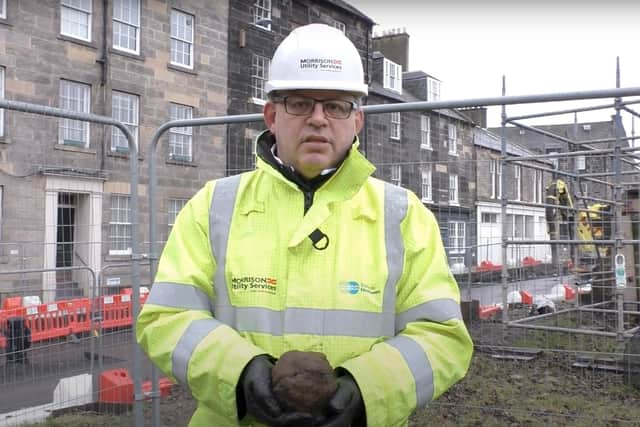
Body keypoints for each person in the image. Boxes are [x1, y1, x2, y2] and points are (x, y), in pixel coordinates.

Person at [137, 23, 473, 426]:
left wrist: (366, 392)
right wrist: (240, 375)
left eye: (336, 106)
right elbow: (167, 318)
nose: (318, 119)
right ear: (271, 115)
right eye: (299, 103)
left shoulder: (403, 215)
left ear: (357, 121)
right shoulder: (213, 206)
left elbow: (441, 336)